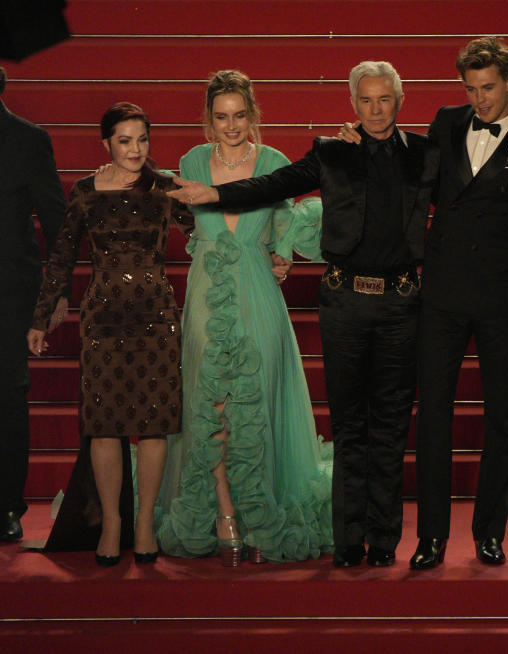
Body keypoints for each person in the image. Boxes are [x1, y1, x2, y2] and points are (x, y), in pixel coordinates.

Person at [167, 63, 433, 568]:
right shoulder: (327, 152)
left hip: (387, 302)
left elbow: (464, 199)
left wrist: (281, 247)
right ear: (353, 105)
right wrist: (215, 196)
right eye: (366, 101)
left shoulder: (424, 152)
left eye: (385, 100)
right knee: (337, 424)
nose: (375, 110)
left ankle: (375, 538)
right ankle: (337, 537)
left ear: (400, 100)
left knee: (375, 424)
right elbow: (269, 189)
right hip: (291, 301)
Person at [155, 70, 333, 565]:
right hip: (207, 300)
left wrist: (283, 255)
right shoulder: (192, 161)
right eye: (221, 116)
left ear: (252, 115)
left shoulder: (275, 163)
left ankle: (260, 514)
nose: (231, 126)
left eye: (239, 115)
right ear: (209, 120)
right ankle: (225, 512)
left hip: (258, 295)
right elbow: (176, 217)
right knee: (209, 406)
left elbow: (284, 228)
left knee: (255, 406)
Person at [407, 36, 508, 569]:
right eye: (471, 89)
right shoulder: (446, 123)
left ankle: (489, 533)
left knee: (501, 419)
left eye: (489, 88)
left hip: (503, 299)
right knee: (433, 418)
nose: (480, 100)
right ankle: (430, 538)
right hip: (444, 295)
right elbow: (418, 191)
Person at [28, 102, 194, 565]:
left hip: (157, 315)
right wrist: (41, 318)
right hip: (102, 319)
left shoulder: (165, 188)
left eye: (142, 139)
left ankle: (144, 523)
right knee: (105, 424)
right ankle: (113, 524)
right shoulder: (84, 192)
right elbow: (61, 257)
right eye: (125, 140)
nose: (136, 149)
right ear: (106, 144)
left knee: (155, 424)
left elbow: (208, 232)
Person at [0, 65, 66, 543]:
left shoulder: (28, 140)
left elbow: (56, 218)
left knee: (6, 395)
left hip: (11, 289)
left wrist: (57, 293)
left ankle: (6, 506)